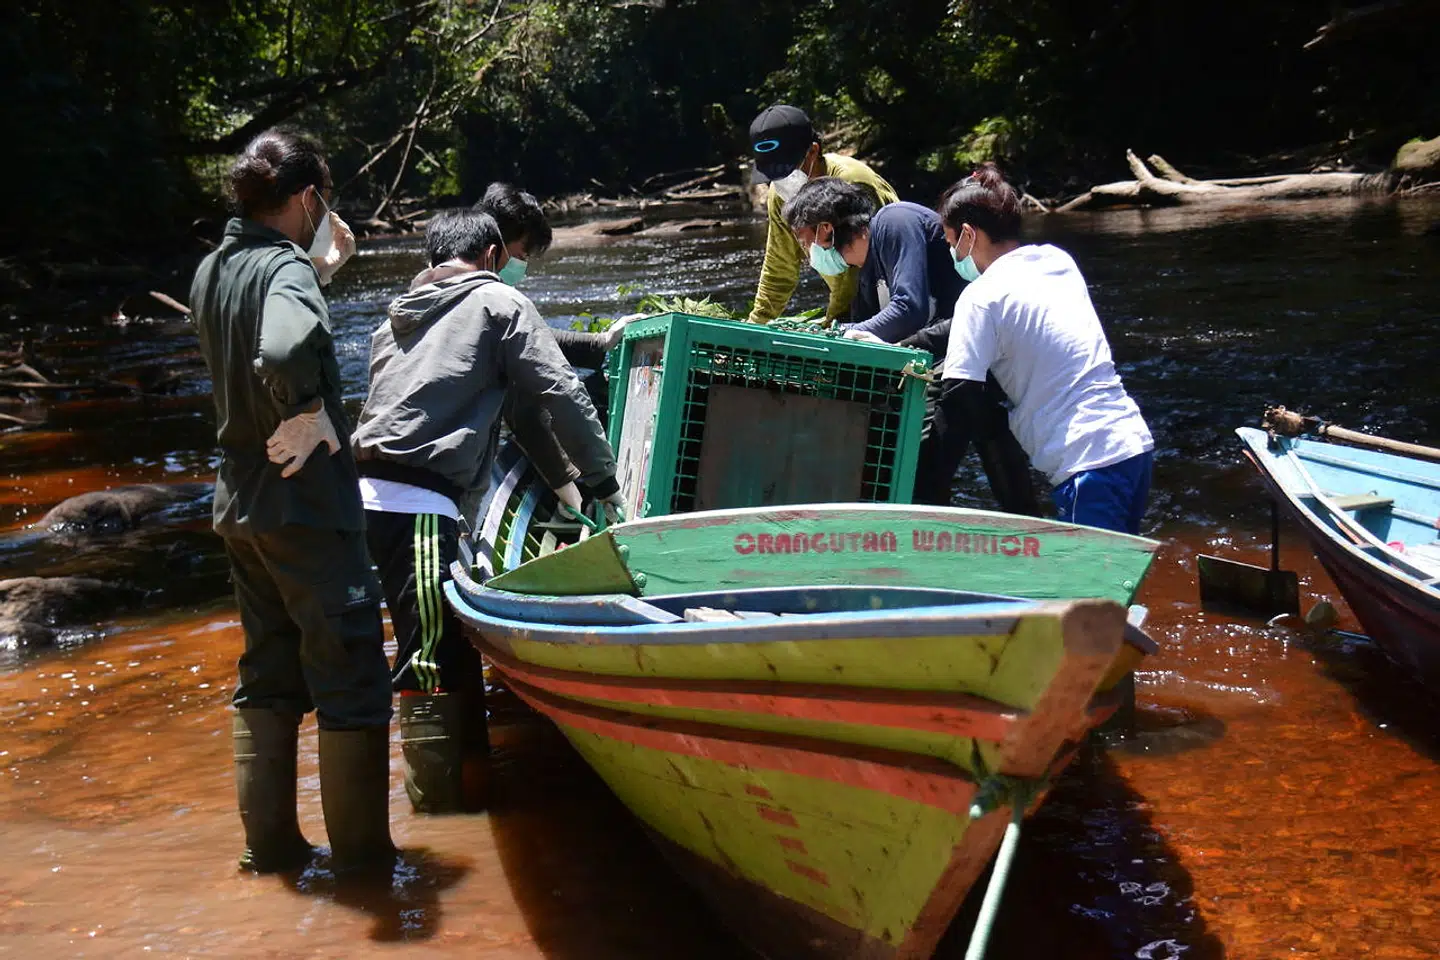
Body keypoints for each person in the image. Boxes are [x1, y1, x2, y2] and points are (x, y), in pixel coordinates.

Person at [351, 208, 622, 812]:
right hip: (419, 500)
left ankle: (471, 790)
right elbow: (560, 391)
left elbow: (524, 413)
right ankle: (442, 816)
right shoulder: (500, 302)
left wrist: (568, 484)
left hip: (365, 501)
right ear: (495, 254)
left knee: (439, 649)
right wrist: (605, 483)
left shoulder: (395, 317)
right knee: (429, 664)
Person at [190, 128, 395, 874]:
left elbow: (252, 336)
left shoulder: (215, 266)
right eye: (326, 201)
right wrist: (307, 408)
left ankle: (270, 855)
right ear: (308, 198)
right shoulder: (286, 270)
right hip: (306, 510)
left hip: (240, 507)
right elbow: (280, 348)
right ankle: (368, 871)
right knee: (352, 680)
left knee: (269, 674)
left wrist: (317, 274)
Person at [780, 177, 1039, 514]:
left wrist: (846, 334)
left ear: (825, 230)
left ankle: (938, 531)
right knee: (987, 431)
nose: (807, 254)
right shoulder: (866, 278)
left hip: (966, 350)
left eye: (804, 242)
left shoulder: (893, 222)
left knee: (926, 462)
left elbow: (909, 307)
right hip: (957, 355)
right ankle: (1029, 524)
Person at [937, 164, 1154, 534]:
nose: (952, 254)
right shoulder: (1057, 261)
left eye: (950, 242)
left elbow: (959, 394)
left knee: (1084, 591)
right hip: (1132, 445)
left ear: (969, 235)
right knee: (1114, 585)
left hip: (1086, 463)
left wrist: (924, 486)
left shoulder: (979, 297)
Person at [746, 105, 898, 324]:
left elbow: (858, 269)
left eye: (787, 170)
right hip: (849, 303)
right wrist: (755, 325)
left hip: (889, 287)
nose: (781, 181)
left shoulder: (851, 183)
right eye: (773, 174)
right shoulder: (779, 195)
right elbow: (779, 266)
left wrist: (833, 322)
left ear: (813, 151)